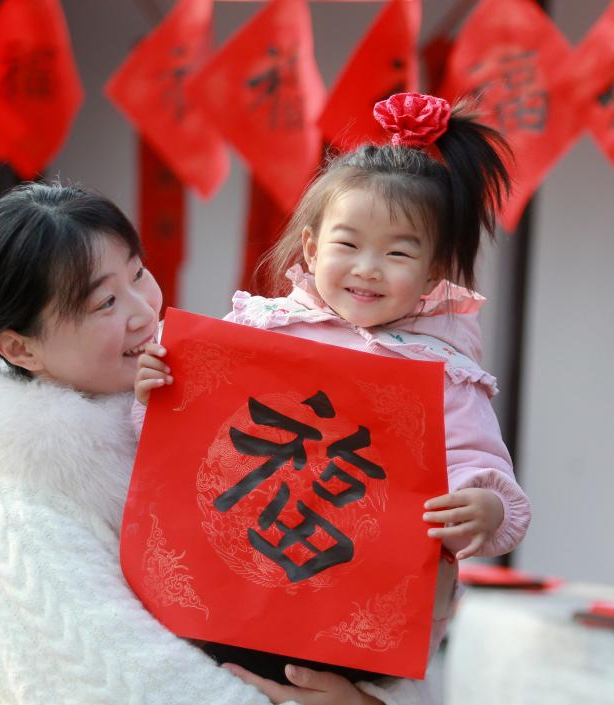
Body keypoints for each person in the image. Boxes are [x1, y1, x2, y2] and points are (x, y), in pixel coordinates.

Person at [0, 182, 412, 705]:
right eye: (104, 301)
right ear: (20, 347)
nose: (143, 310)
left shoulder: (203, 422)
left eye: (137, 274)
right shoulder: (15, 509)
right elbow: (138, 687)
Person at [136, 93, 532, 665]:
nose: (368, 268)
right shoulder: (260, 330)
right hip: (235, 578)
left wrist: (484, 507)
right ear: (311, 245)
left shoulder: (441, 372)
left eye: (398, 253)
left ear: (434, 272)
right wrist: (154, 388)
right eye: (348, 244)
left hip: (347, 609)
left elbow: (478, 464)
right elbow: (183, 435)